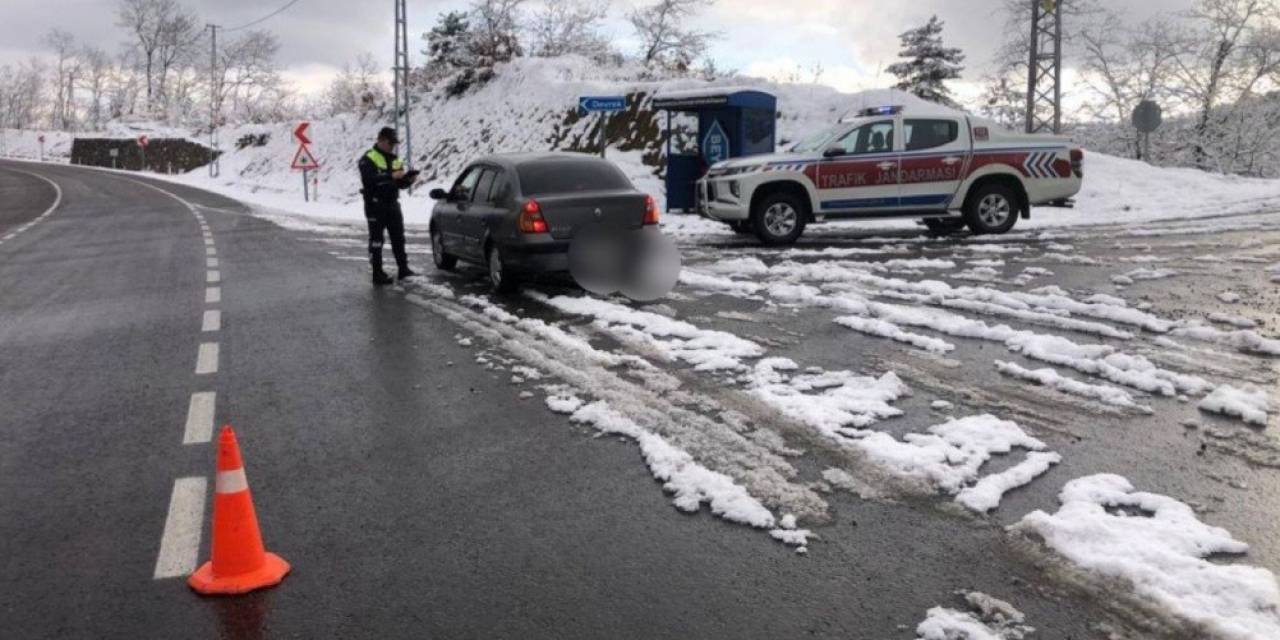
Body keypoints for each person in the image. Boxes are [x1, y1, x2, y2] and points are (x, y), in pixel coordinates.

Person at [358, 127, 419, 285]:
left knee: (398, 238)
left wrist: (408, 180)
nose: (392, 146)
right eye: (390, 143)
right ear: (381, 140)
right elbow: (369, 180)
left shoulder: (394, 159)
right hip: (375, 204)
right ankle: (377, 273)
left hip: (392, 204)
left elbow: (399, 183)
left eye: (394, 144)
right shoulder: (368, 158)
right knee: (377, 240)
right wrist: (390, 175)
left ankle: (403, 269)